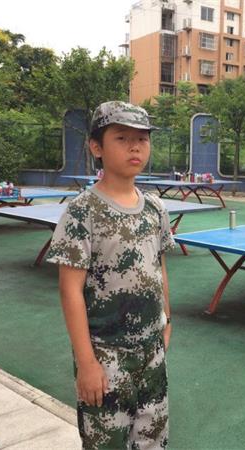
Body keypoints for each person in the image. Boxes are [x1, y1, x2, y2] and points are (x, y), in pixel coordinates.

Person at [46, 101, 175, 449]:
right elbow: (70, 290)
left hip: (151, 352)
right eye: (122, 138)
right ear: (96, 147)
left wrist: (168, 320)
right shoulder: (82, 211)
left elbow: (158, 265)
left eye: (142, 139)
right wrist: (87, 363)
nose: (135, 147)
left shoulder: (155, 207)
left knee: (153, 441)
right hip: (105, 356)